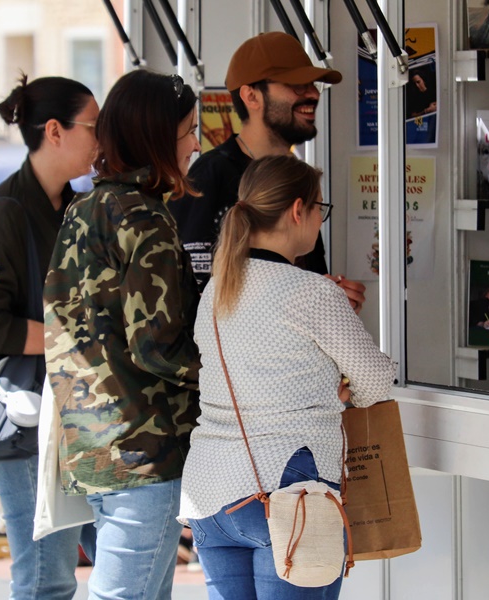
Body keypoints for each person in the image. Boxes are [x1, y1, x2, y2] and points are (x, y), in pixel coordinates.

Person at [178, 155, 396, 599]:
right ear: (299, 210)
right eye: (321, 209)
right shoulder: (312, 291)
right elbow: (376, 381)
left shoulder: (214, 292)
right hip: (285, 485)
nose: (320, 221)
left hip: (210, 493)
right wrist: (341, 389)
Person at [43, 69, 201, 600]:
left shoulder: (82, 209)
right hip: (144, 446)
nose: (196, 144)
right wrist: (231, 379)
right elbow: (156, 345)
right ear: (157, 137)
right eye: (188, 132)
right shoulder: (147, 218)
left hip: (91, 438)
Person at [0, 75, 98, 600]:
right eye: (93, 127)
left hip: (69, 414)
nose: (101, 141)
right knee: (46, 579)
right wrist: (68, 339)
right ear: (55, 131)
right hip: (26, 416)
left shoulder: (73, 205)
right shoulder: (4, 214)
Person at [168, 31, 366, 312]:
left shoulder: (299, 179)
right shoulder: (210, 175)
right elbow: (195, 296)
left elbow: (301, 280)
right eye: (297, 85)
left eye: (313, 84)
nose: (312, 94)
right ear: (251, 95)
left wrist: (329, 300)